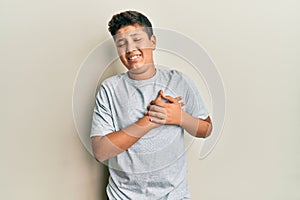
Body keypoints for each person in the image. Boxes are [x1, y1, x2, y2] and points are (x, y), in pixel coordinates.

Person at [90, 10, 212, 200]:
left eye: (137, 39)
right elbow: (100, 152)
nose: (130, 49)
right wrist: (150, 120)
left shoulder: (179, 81)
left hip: (174, 196)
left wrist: (180, 117)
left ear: (152, 42)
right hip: (123, 196)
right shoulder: (110, 89)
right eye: (121, 44)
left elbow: (206, 129)